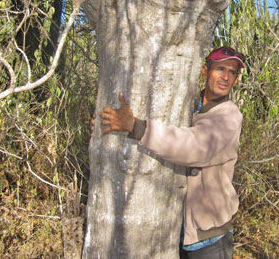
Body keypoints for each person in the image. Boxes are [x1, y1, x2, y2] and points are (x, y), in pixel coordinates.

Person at [99, 46, 244, 259]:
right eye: (220, 69)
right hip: (175, 229)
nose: (226, 77)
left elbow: (193, 147)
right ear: (205, 71)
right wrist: (107, 121)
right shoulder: (188, 105)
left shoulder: (229, 116)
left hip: (209, 236)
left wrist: (135, 126)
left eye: (232, 72)